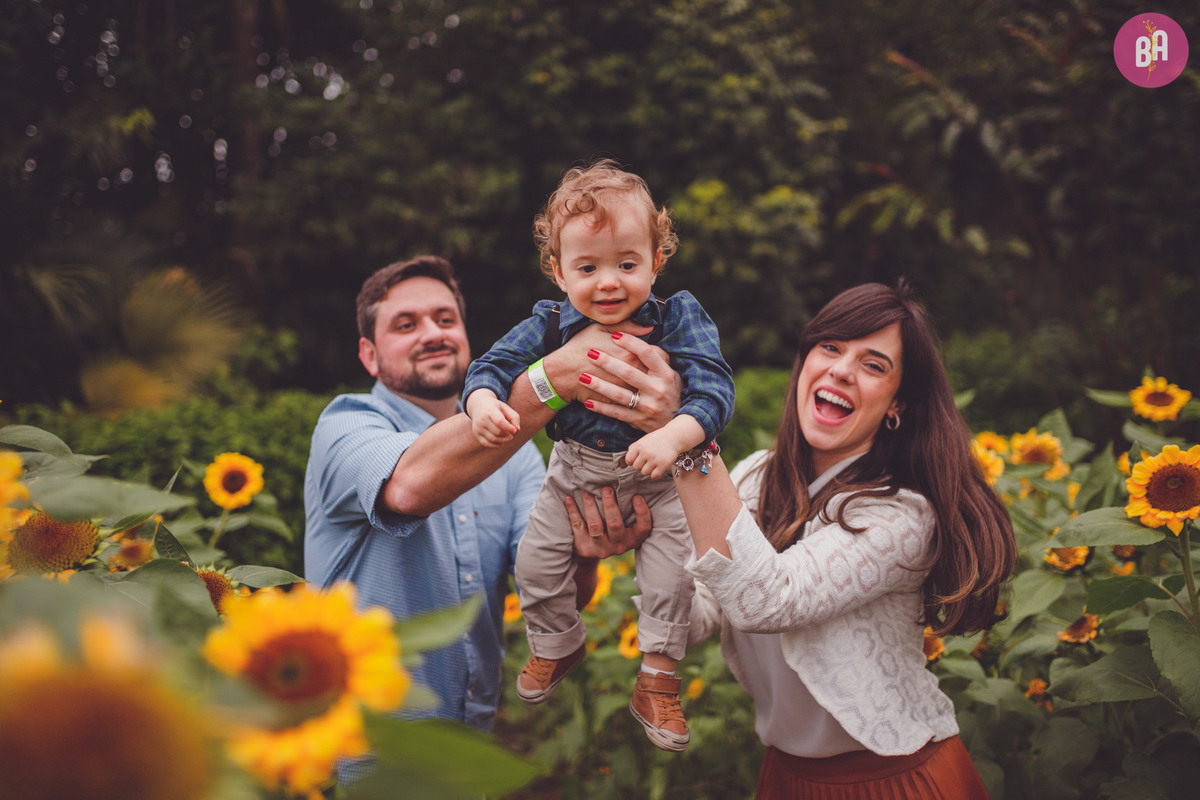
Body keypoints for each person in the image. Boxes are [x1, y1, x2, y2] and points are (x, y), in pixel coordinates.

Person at [577, 281, 1015, 797]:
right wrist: (629, 550)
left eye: (874, 365)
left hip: (894, 780)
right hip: (787, 778)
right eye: (830, 347)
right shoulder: (753, 478)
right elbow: (695, 619)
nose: (842, 370)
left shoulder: (903, 513)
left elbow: (768, 600)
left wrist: (685, 431)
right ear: (804, 362)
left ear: (897, 404)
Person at [303, 255, 682, 757]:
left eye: (445, 318)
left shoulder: (520, 456)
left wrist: (586, 549)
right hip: (357, 758)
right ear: (370, 356)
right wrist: (554, 378)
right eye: (405, 324)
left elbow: (556, 583)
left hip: (467, 755)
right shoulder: (345, 426)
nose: (432, 333)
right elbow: (408, 486)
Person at [463, 161, 735, 752]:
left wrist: (671, 435)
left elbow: (715, 389)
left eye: (627, 264)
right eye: (588, 267)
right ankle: (558, 645)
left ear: (657, 261)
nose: (608, 282)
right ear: (558, 272)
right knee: (534, 565)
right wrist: (483, 402)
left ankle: (657, 679)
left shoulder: (677, 317)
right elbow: (491, 366)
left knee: (670, 582)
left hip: (660, 477)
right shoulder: (551, 323)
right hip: (573, 473)